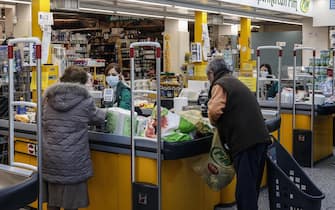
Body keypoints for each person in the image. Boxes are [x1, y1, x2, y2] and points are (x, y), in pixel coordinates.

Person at [206, 58, 271, 210]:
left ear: (211, 73)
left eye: (208, 76)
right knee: (251, 189)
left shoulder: (220, 84)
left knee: (244, 192)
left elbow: (214, 111)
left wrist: (213, 122)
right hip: (259, 139)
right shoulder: (233, 81)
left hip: (246, 143)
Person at [42, 66, 106, 210]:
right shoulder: (85, 101)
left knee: (53, 202)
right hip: (73, 160)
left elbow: (39, 119)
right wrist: (107, 112)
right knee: (72, 204)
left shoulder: (47, 98)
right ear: (82, 83)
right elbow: (98, 118)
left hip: (51, 157)